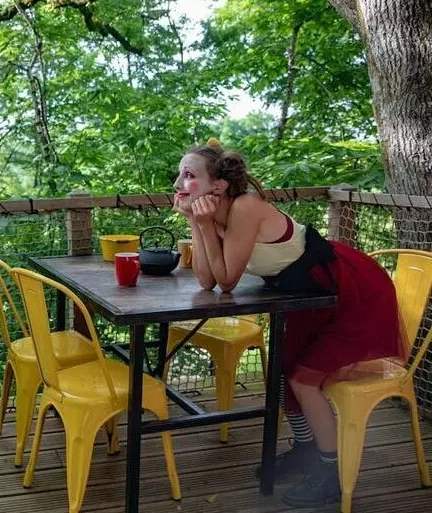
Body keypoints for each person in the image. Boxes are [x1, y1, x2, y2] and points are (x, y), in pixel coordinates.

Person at [171, 139, 408, 507]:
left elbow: (228, 280)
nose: (178, 183)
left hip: (345, 290)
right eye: (179, 174)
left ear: (218, 186)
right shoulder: (214, 214)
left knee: (303, 379)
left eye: (189, 175)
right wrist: (195, 221)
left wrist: (200, 223)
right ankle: (305, 449)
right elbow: (207, 280)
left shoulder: (244, 207)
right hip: (305, 292)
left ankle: (329, 472)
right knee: (283, 372)